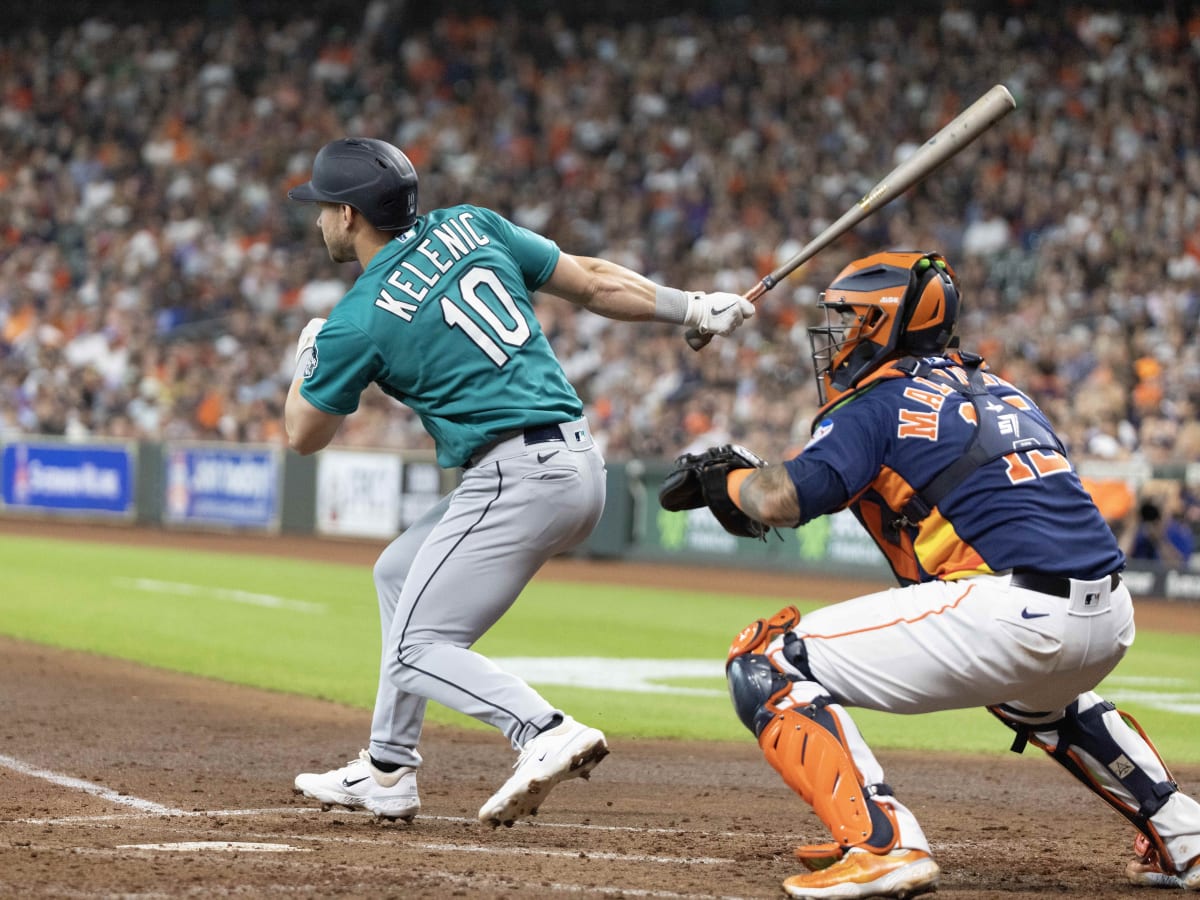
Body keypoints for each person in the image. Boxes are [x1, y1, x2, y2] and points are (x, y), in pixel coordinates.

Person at [659, 250, 1200, 898]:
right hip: (1109, 616)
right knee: (1040, 703)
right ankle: (1185, 837)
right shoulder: (1003, 389)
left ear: (884, 325)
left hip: (1012, 611)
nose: (834, 335)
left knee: (766, 657)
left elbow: (785, 499)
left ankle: (883, 843)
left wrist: (728, 477)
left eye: (847, 319)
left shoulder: (876, 400)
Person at [282, 137, 754, 828]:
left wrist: (308, 352)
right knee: (397, 571)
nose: (319, 219)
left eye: (324, 207)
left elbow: (303, 434)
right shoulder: (469, 224)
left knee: (419, 649)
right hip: (574, 464)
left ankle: (543, 731)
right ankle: (387, 771)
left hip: (514, 476)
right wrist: (690, 307)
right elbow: (592, 281)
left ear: (351, 216)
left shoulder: (358, 317)